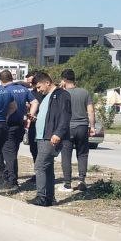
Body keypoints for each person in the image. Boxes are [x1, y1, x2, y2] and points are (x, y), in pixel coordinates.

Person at [27, 71, 73, 206]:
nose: (38, 90)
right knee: (47, 168)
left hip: (50, 137)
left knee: (40, 166)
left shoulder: (62, 95)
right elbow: (49, 115)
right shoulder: (47, 96)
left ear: (47, 82)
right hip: (42, 137)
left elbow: (65, 116)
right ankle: (50, 198)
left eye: (39, 87)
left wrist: (58, 133)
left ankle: (41, 197)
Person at [58, 68, 96, 192]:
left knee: (66, 156)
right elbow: (90, 110)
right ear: (74, 79)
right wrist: (92, 126)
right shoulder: (84, 92)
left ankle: (67, 184)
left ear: (64, 80)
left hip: (67, 128)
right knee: (82, 154)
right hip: (82, 127)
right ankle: (81, 181)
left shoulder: (61, 94)